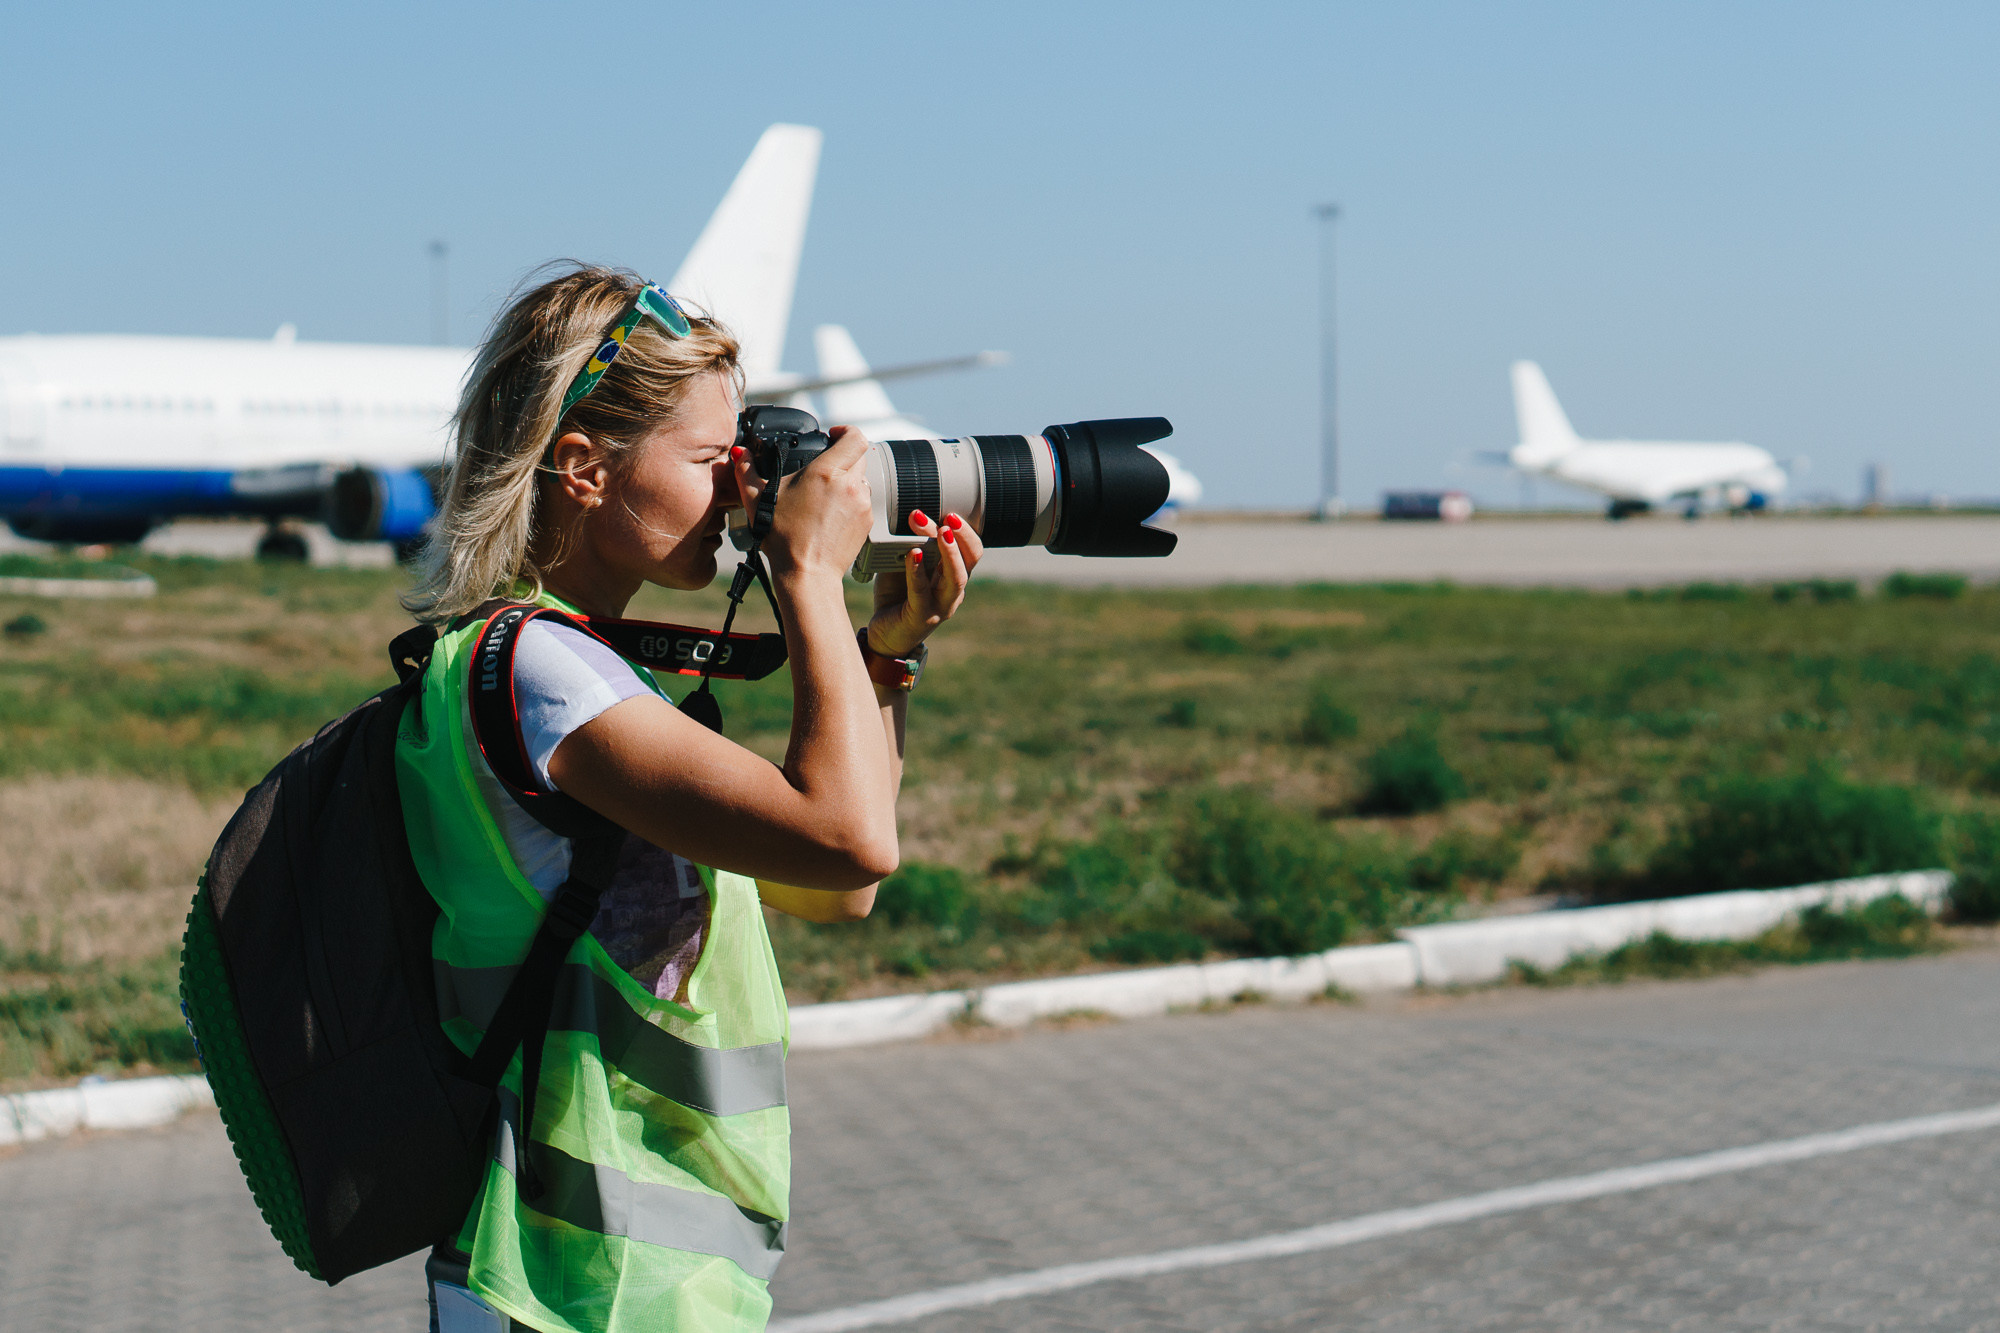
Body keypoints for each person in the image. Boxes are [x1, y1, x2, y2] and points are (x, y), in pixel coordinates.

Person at [395, 264, 980, 1332]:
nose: (741, 493)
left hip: (621, 1277)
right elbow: (848, 840)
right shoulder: (540, 675)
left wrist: (885, 656)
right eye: (713, 461)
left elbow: (834, 884)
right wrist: (805, 575)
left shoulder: (580, 674)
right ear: (581, 467)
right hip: (579, 1281)